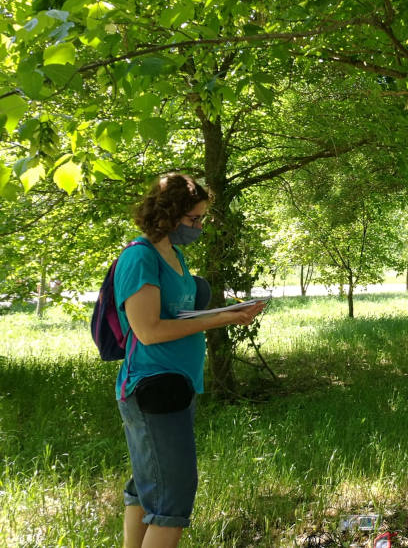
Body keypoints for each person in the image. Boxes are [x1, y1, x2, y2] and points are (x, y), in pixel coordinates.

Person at [114, 173, 266, 548]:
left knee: (145, 488)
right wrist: (219, 318)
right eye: (193, 220)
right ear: (168, 214)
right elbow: (148, 330)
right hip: (152, 387)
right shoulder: (140, 258)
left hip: (175, 385)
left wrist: (226, 312)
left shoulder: (174, 255)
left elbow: (180, 317)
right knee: (172, 501)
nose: (199, 227)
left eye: (201, 219)